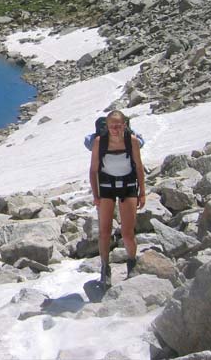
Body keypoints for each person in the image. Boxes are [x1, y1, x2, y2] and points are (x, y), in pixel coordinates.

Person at [89, 110, 146, 288]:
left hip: (128, 185)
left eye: (118, 125)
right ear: (107, 126)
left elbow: (138, 167)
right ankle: (105, 268)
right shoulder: (100, 142)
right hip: (107, 186)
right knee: (104, 232)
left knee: (128, 233)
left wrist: (142, 192)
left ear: (124, 125)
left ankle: (131, 263)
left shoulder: (132, 141)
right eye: (111, 125)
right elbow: (93, 170)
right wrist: (95, 195)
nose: (114, 129)